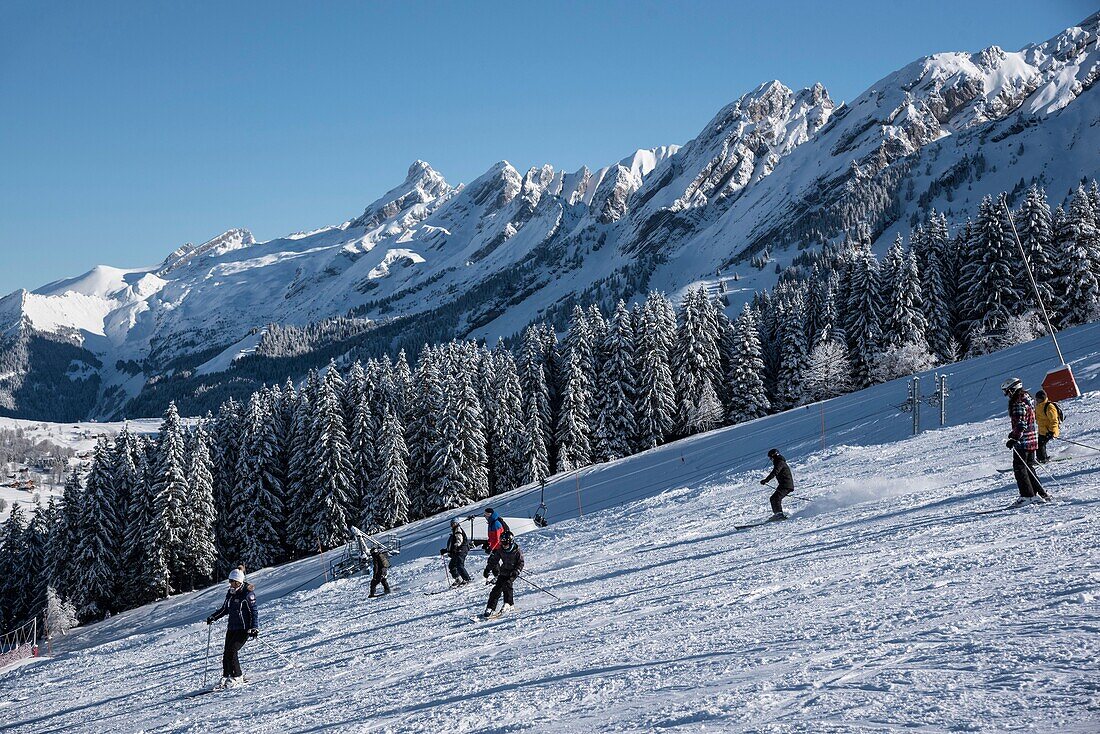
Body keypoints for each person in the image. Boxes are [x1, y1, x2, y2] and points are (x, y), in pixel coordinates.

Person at [205, 566, 258, 689]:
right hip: (232, 628)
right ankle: (227, 675)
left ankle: (237, 676)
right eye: (229, 581)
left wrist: (254, 627)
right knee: (226, 652)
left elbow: (253, 612)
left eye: (232, 582)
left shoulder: (247, 594)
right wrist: (214, 617)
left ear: (238, 582)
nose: (230, 584)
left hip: (244, 629)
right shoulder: (230, 593)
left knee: (232, 650)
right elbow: (225, 609)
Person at [1002, 377, 1049, 505]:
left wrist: (1014, 438)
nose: (1007, 395)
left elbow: (1021, 423)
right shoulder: (1027, 399)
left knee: (1020, 469)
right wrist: (1013, 434)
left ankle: (1027, 496)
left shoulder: (1018, 402)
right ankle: (1040, 493)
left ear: (1013, 389)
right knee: (1029, 467)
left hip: (1023, 441)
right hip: (1032, 439)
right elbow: (1026, 421)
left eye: (1007, 391)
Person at [482, 530, 524, 618]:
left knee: (507, 584)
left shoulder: (517, 551)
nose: (504, 546)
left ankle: (508, 604)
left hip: (512, 572)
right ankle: (490, 608)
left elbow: (521, 563)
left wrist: (516, 571)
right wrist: (487, 569)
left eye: (506, 544)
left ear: (511, 542)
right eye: (503, 544)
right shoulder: (501, 550)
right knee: (496, 590)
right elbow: (494, 560)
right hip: (504, 571)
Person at [760, 448, 794, 519]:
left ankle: (779, 515)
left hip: (786, 485)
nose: (770, 459)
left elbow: (775, 472)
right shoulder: (779, 462)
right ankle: (778, 514)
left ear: (774, 456)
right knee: (773, 498)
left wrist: (766, 480)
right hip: (783, 485)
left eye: (770, 458)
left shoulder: (780, 462)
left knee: (776, 498)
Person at [440, 519, 472, 586]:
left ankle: (467, 579)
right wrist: (446, 550)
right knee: (452, 565)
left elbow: (459, 540)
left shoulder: (458, 529)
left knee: (459, 565)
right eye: (452, 524)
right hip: (457, 551)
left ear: (457, 523)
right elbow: (452, 546)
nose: (452, 525)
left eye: (454, 523)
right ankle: (458, 579)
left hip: (461, 549)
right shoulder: (454, 532)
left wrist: (456, 547)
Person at [1034, 389, 1061, 463]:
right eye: (1036, 399)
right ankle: (1043, 457)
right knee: (1039, 444)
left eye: (1038, 399)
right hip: (1042, 430)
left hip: (1049, 430)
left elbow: (1054, 420)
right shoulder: (1039, 406)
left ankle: (1042, 459)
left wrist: (1052, 432)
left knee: (1040, 445)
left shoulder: (1049, 407)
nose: (1037, 400)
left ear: (1042, 398)